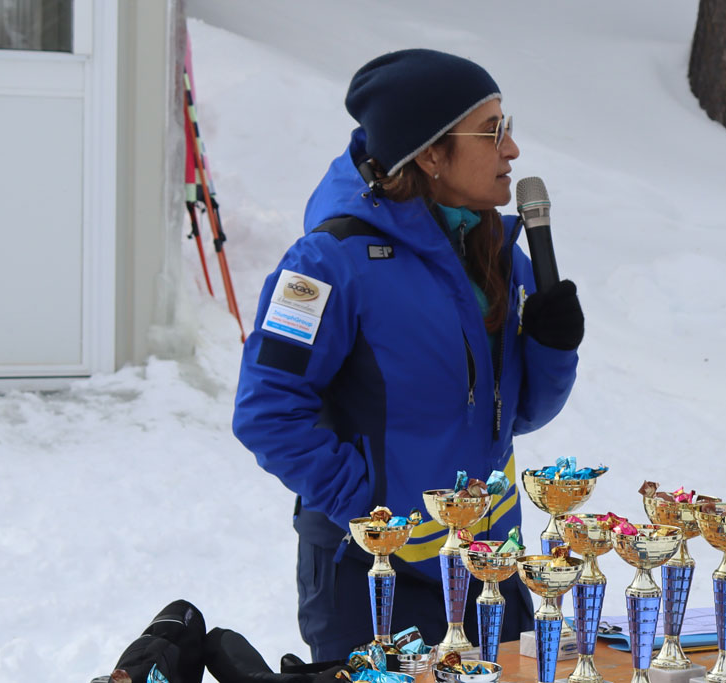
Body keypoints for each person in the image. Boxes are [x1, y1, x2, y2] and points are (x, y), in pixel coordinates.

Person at [232, 49, 583, 660]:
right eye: (491, 132)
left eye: (507, 127)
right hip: (374, 579)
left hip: (489, 569)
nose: (512, 150)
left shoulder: (498, 251)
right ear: (429, 154)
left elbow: (521, 413)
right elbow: (267, 412)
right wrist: (374, 516)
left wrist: (554, 349)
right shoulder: (326, 263)